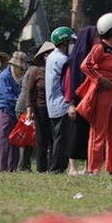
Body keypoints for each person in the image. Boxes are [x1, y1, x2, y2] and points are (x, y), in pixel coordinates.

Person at [78, 13, 112, 175]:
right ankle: (93, 169)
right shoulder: (100, 47)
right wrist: (101, 79)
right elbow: (86, 65)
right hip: (103, 92)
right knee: (98, 132)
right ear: (111, 31)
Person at [65, 25, 96, 176]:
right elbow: (70, 82)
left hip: (90, 100)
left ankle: (87, 166)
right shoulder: (75, 59)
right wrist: (71, 103)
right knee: (75, 134)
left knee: (89, 133)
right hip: (77, 101)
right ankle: (73, 167)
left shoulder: (93, 56)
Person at [45, 27, 76, 173]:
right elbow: (68, 82)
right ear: (64, 42)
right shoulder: (63, 60)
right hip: (62, 103)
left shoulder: (51, 57)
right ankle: (56, 168)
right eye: (71, 41)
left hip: (53, 104)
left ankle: (56, 166)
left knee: (57, 138)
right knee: (61, 140)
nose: (73, 44)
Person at [0, 51, 27, 172]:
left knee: (14, 140)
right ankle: (1, 167)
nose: (21, 71)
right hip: (4, 110)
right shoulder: (4, 77)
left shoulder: (15, 77)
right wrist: (19, 102)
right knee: (3, 141)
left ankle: (11, 167)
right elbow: (8, 96)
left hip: (14, 111)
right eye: (20, 69)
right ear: (14, 66)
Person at [27, 41, 54, 172]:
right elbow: (30, 91)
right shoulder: (36, 72)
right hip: (40, 108)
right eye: (47, 54)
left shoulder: (56, 71)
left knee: (53, 139)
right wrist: (29, 109)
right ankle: (41, 168)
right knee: (41, 140)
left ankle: (52, 166)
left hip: (54, 108)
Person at [14, 49, 36, 171]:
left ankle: (24, 165)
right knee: (26, 138)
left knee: (27, 138)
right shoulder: (33, 70)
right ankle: (22, 166)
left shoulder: (29, 70)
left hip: (22, 106)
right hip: (25, 107)